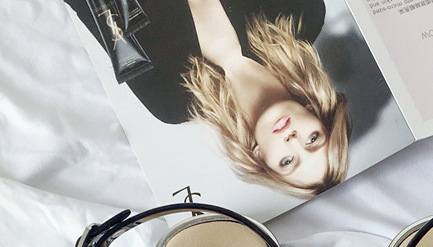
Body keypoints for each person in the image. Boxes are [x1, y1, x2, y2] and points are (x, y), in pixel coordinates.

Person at [65, 0, 350, 197]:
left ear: (260, 157)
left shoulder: (172, 101)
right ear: (316, 113)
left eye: (288, 161)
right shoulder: (303, 15)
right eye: (313, 139)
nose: (293, 139)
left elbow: (96, 10)